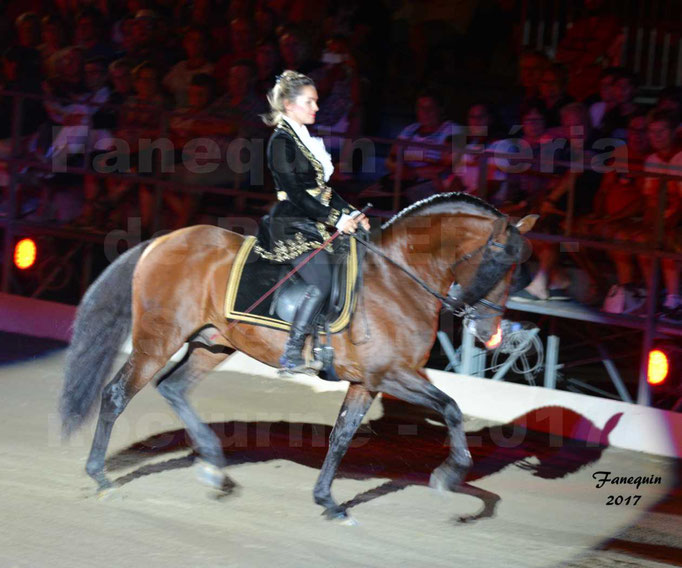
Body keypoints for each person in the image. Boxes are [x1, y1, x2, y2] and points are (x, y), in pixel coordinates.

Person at [256, 70, 369, 373]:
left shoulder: (304, 139)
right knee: (322, 282)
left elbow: (322, 191)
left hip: (311, 220)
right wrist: (336, 219)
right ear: (290, 105)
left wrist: (352, 212)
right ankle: (292, 353)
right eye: (310, 102)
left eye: (316, 102)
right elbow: (294, 193)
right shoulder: (281, 141)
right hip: (290, 224)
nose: (316, 109)